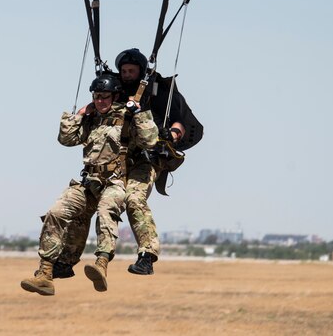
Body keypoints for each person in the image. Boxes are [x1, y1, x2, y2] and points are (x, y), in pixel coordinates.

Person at [52, 48, 203, 277]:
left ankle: (147, 257)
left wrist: (169, 135)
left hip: (144, 161)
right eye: (124, 70)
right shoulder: (113, 89)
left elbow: (181, 124)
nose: (127, 74)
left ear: (141, 71)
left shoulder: (158, 91)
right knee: (86, 205)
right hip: (113, 162)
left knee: (134, 198)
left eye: (132, 71)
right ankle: (66, 261)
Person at [20, 74, 158, 296]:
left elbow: (150, 141)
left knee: (106, 211)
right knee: (56, 213)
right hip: (90, 181)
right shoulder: (92, 119)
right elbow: (66, 139)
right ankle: (45, 273)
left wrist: (139, 113)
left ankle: (101, 264)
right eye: (96, 96)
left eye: (105, 97)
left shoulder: (128, 117)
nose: (100, 101)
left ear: (114, 97)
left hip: (116, 181)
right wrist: (80, 114)